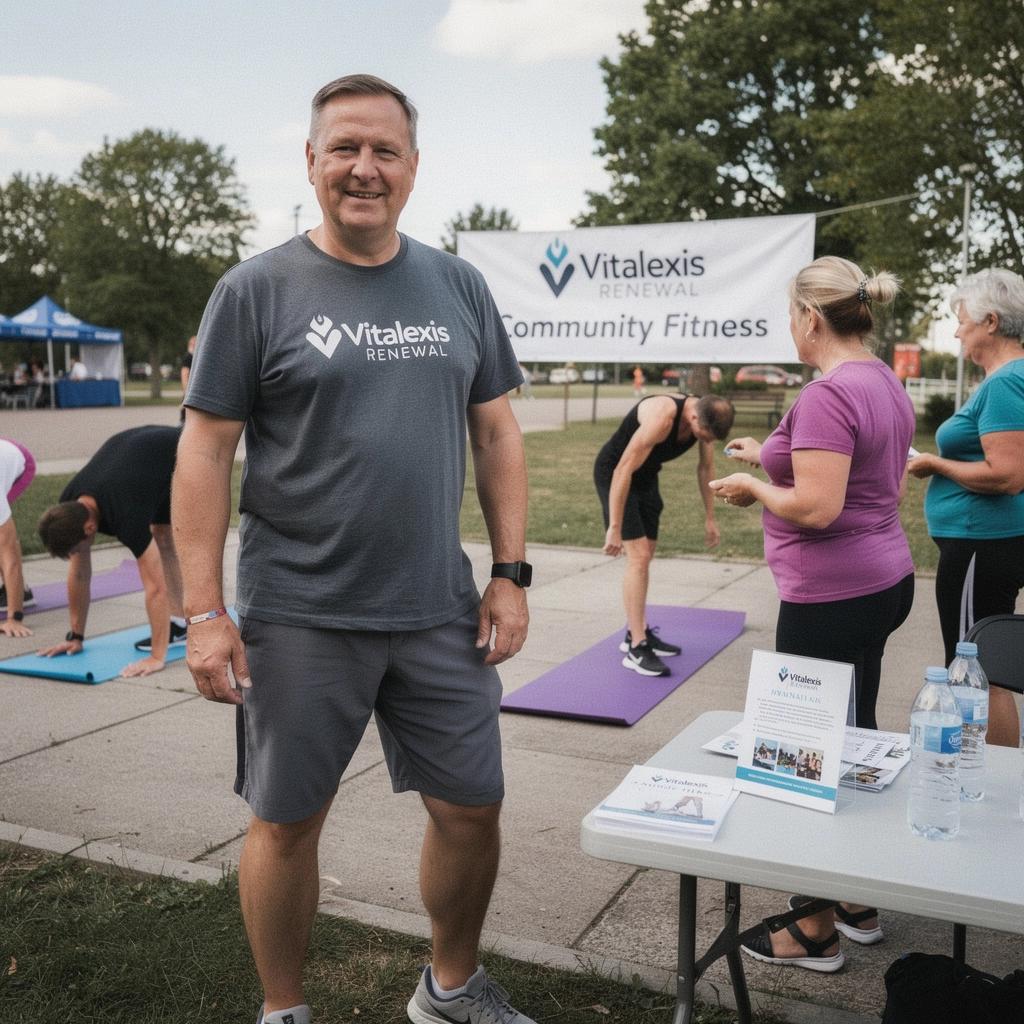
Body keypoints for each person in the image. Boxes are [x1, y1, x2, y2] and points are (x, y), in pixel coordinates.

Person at [172, 74, 533, 1024]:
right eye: (344, 148)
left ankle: (450, 988)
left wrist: (509, 574)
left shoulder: (458, 284)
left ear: (413, 167)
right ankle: (283, 1009)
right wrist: (203, 612)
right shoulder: (255, 290)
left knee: (473, 808)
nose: (364, 168)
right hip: (301, 614)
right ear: (311, 161)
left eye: (384, 150)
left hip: (439, 609)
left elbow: (497, 432)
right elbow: (204, 451)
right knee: (287, 823)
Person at [710, 256, 916, 972]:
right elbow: (861, 479)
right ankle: (855, 898)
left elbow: (819, 505)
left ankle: (814, 930)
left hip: (831, 595)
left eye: (789, 315)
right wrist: (767, 457)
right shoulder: (882, 379)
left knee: (804, 754)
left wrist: (754, 489)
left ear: (810, 317)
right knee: (853, 736)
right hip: (883, 581)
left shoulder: (829, 393)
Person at [908, 268, 1024, 747]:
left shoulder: (1006, 382)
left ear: (990, 322)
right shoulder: (1006, 379)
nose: (956, 332)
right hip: (986, 543)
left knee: (976, 671)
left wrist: (934, 462)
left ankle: (986, 774)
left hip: (982, 543)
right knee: (983, 669)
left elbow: (1008, 475)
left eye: (962, 321)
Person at [595, 392, 734, 676]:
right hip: (616, 475)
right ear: (693, 417)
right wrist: (615, 527)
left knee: (646, 556)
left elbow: (706, 468)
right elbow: (622, 469)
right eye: (703, 436)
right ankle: (636, 646)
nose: (704, 441)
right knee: (638, 559)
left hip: (646, 477)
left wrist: (710, 517)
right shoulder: (661, 416)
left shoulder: (705, 415)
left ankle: (636, 629)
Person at [36, 425, 187, 678]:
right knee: (162, 532)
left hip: (180, 451)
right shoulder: (69, 507)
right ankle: (180, 626)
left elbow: (156, 587)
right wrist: (75, 637)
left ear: (90, 528)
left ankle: (179, 626)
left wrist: (156, 657)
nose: (77, 555)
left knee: (165, 536)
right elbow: (79, 575)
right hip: (143, 460)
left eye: (76, 549)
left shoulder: (125, 515)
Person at [0, 438, 37, 638]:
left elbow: (9, 555)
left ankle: (19, 593)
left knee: (5, 542)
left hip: (20, 462)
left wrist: (14, 618)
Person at [180, 335, 197, 422]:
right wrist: (186, 391)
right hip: (189, 389)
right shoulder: (188, 357)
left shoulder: (193, 357)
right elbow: (184, 374)